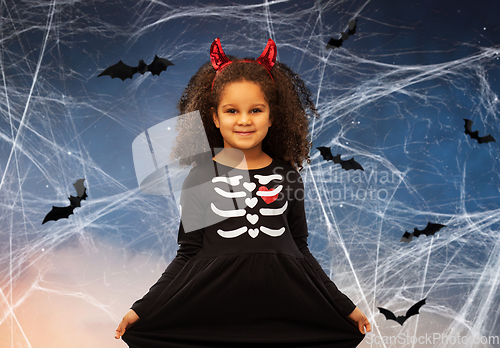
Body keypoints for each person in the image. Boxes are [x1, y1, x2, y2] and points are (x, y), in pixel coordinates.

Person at [116, 37, 370, 347]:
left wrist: (346, 307)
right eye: (232, 110)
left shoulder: (287, 175)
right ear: (214, 117)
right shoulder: (200, 176)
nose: (245, 120)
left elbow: (301, 249)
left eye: (256, 110)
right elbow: (187, 252)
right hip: (213, 306)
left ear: (272, 116)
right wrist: (142, 309)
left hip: (285, 307)